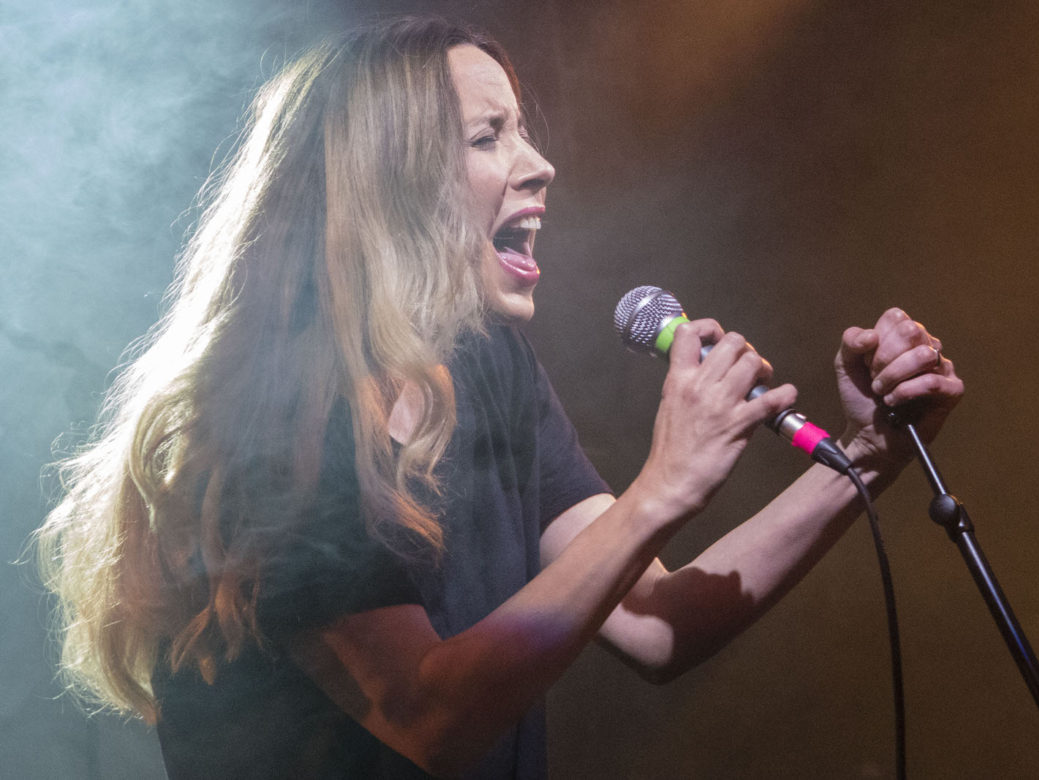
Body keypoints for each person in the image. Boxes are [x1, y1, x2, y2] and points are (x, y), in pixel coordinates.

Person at [36, 16, 964, 779]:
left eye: (519, 128)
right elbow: (426, 716)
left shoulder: (489, 371)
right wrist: (664, 485)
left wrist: (869, 457)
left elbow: (659, 624)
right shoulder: (274, 419)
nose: (541, 164)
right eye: (489, 137)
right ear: (391, 183)